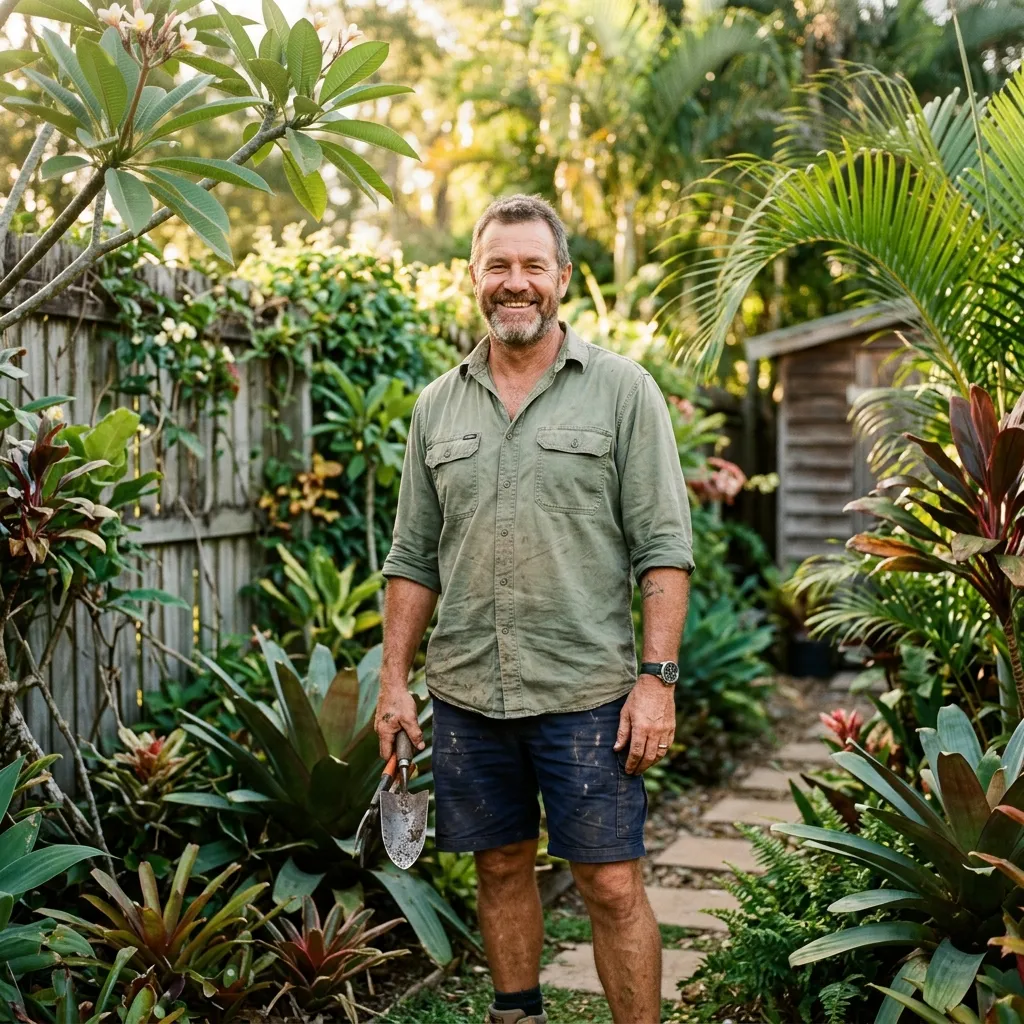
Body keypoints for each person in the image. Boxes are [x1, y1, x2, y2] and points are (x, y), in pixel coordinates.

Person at [375, 194, 694, 1024]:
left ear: (562, 278)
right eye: (498, 266)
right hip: (471, 691)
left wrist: (656, 681)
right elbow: (412, 559)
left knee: (613, 882)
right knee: (500, 866)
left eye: (532, 267)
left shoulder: (624, 393)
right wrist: (395, 683)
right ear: (473, 276)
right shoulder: (435, 407)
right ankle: (517, 1013)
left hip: (588, 693)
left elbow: (663, 546)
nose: (515, 284)